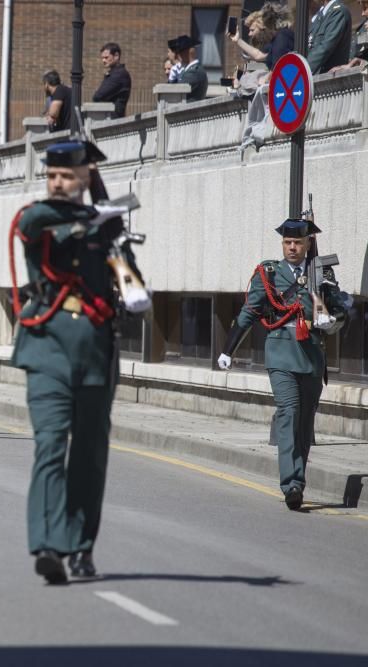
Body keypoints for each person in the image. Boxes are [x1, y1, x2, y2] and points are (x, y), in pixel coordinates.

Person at [13, 140, 134, 584]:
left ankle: (81, 546)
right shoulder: (41, 218)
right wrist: (86, 215)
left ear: (86, 177)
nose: (58, 183)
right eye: (52, 176)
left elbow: (132, 283)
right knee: (49, 444)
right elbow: (32, 222)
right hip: (46, 349)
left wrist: (115, 242)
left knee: (88, 453)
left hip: (96, 354)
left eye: (67, 176)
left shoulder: (108, 229)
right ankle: (47, 543)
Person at [218, 218, 348, 511]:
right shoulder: (269, 273)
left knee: (305, 422)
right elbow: (249, 311)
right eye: (288, 243)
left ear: (307, 244)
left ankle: (298, 482)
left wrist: (331, 321)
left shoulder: (322, 272)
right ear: (283, 244)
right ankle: (290, 482)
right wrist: (228, 350)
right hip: (281, 355)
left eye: (298, 243)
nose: (292, 247)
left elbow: (341, 312)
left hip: (312, 355)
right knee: (288, 413)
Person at [230, 3, 295, 150]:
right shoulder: (277, 39)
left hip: (281, 83)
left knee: (255, 79)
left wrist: (268, 77)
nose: (250, 34)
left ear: (266, 25)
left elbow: (282, 63)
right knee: (250, 79)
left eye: (253, 30)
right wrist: (238, 41)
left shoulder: (283, 36)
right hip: (274, 82)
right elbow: (260, 55)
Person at [307, 0, 353, 74]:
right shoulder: (320, 15)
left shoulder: (338, 11)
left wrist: (302, 69)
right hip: (313, 77)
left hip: (328, 78)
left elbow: (325, 48)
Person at [92, 43, 132, 118]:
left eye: (106, 57)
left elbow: (98, 96)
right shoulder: (114, 73)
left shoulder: (119, 75)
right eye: (102, 58)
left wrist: (98, 92)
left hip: (113, 121)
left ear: (116, 56)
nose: (103, 60)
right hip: (109, 119)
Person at [169, 35, 208, 101]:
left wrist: (172, 80)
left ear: (188, 52)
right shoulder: (189, 69)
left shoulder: (194, 72)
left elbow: (174, 91)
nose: (177, 56)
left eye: (179, 52)